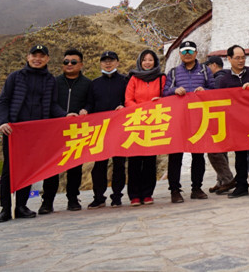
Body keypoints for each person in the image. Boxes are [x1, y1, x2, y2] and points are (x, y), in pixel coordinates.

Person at [0, 45, 74, 223]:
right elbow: (3, 100)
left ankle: (21, 205)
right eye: (34, 55)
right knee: (9, 169)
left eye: (41, 56)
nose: (37, 59)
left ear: (47, 59)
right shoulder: (15, 77)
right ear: (28, 57)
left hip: (37, 132)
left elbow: (53, 105)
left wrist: (65, 115)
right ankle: (5, 208)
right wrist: (3, 122)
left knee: (28, 169)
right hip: (14, 131)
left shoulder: (50, 80)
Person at [164, 41, 231, 203]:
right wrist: (174, 90)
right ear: (180, 54)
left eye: (190, 51)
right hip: (179, 119)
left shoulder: (205, 71)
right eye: (184, 51)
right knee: (175, 156)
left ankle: (196, 188)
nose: (187, 54)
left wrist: (204, 91)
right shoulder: (173, 72)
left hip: (199, 119)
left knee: (198, 154)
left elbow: (213, 90)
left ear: (196, 53)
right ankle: (175, 190)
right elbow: (165, 92)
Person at [39, 49, 91, 214]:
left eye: (73, 62)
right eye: (66, 62)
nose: (69, 64)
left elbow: (91, 102)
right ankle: (47, 201)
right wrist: (63, 115)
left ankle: (73, 199)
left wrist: (86, 109)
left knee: (75, 167)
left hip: (76, 131)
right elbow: (50, 103)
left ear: (81, 65)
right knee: (52, 167)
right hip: (55, 130)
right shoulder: (54, 82)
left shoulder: (87, 83)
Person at [217, 45, 249, 198]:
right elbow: (221, 101)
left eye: (243, 57)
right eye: (237, 58)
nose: (241, 61)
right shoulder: (225, 80)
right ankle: (241, 185)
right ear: (229, 59)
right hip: (236, 123)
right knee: (240, 156)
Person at [84, 51, 128, 208]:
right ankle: (98, 197)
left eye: (111, 60)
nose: (108, 63)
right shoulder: (94, 83)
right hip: (100, 130)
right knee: (99, 166)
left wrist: (124, 106)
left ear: (117, 62)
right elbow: (90, 103)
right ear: (100, 63)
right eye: (104, 61)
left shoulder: (125, 81)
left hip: (120, 129)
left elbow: (129, 100)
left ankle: (117, 196)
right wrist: (85, 110)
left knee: (119, 164)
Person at [125, 49, 166, 206]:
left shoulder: (161, 78)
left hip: (154, 123)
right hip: (136, 123)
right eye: (144, 60)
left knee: (150, 160)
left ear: (155, 62)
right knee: (135, 160)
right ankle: (134, 195)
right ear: (140, 62)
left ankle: (147, 193)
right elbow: (128, 99)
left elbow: (165, 96)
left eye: (150, 60)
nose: (147, 63)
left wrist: (158, 102)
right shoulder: (134, 78)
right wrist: (140, 111)